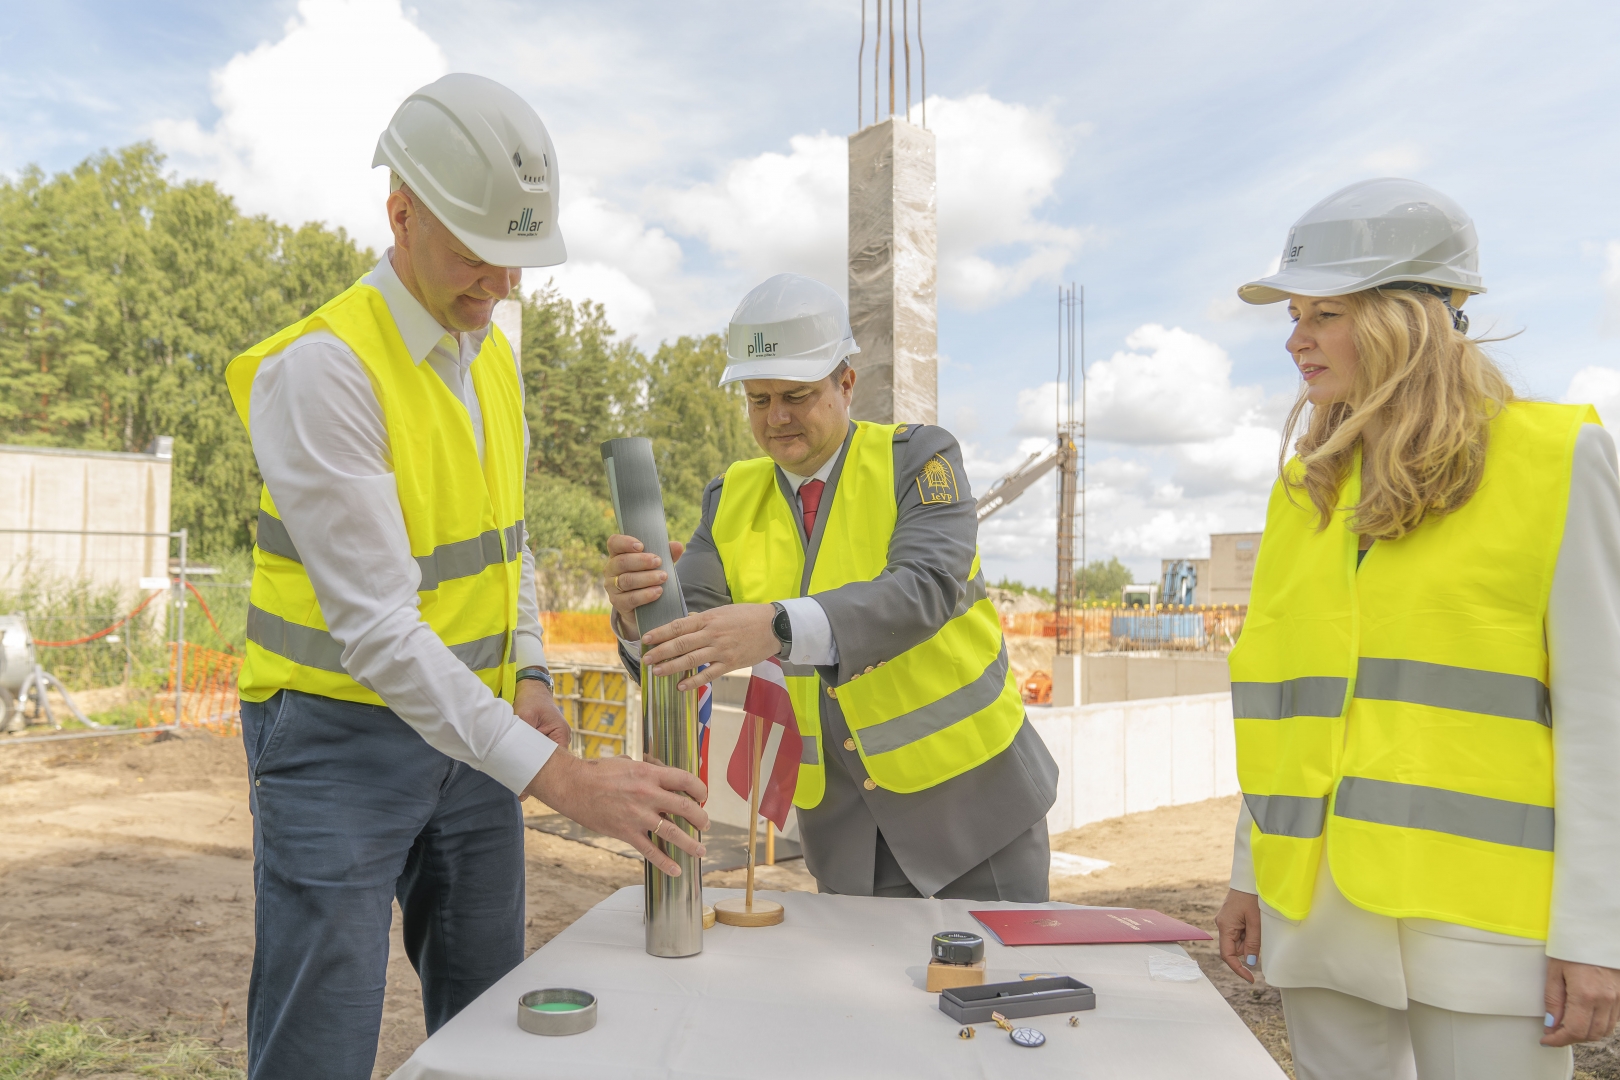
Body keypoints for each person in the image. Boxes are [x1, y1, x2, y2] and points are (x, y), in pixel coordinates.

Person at [223, 74, 708, 1080]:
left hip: (476, 727)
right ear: (399, 213)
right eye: (476, 253)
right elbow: (380, 631)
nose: (502, 285)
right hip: (338, 739)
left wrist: (528, 671)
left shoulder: (487, 354)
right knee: (323, 1034)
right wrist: (562, 780)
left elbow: (505, 542)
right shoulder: (322, 372)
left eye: (516, 257)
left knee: (492, 1019)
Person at [1214, 177, 1620, 1080]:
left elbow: (1604, 717)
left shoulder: (1558, 461)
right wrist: (1249, 873)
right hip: (1315, 903)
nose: (1295, 338)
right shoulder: (1304, 492)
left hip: (1484, 920)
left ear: (1410, 319)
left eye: (1325, 313)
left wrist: (1597, 931)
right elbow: (1283, 708)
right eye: (1295, 314)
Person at [604, 273, 1057, 901]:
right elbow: (685, 644)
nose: (777, 417)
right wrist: (638, 619)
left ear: (846, 383)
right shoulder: (729, 499)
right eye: (758, 399)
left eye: (797, 395)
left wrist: (776, 628)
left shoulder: (918, 461)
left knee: (996, 969)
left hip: (976, 814)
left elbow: (925, 586)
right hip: (848, 839)